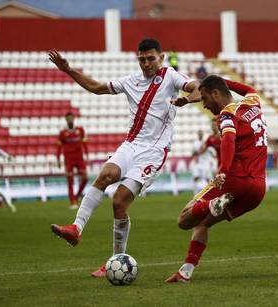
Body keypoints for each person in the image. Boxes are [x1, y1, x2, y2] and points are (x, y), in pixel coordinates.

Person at [48, 38, 201, 277]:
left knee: (119, 202)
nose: (147, 63)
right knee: (105, 175)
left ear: (160, 58)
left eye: (151, 58)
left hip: (153, 151)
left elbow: (197, 87)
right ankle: (75, 229)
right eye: (142, 59)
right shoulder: (131, 80)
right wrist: (68, 70)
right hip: (131, 144)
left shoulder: (170, 75)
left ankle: (115, 259)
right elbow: (96, 88)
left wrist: (187, 98)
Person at [165, 76, 268, 283]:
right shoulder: (252, 101)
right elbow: (247, 87)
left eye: (204, 98)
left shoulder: (226, 116)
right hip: (258, 188)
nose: (203, 104)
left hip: (234, 181)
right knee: (203, 224)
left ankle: (211, 204)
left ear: (215, 94)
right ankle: (186, 271)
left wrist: (222, 170)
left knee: (184, 220)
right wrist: (216, 81)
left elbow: (228, 140)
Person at [57, 112, 88, 210]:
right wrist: (58, 159)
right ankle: (73, 202)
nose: (70, 120)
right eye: (68, 118)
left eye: (71, 118)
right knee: (70, 180)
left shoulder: (80, 130)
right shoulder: (63, 133)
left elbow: (84, 143)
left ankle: (77, 196)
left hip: (79, 158)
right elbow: (59, 147)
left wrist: (87, 155)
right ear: (66, 120)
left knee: (85, 177)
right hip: (69, 159)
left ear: (74, 118)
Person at [191, 121, 221, 193]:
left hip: (207, 164)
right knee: (196, 178)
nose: (200, 134)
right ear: (198, 134)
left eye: (201, 133)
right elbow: (194, 153)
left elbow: (212, 152)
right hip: (199, 163)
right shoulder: (196, 143)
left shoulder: (207, 141)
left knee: (209, 179)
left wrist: (212, 155)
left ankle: (210, 192)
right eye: (199, 133)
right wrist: (196, 153)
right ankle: (195, 193)